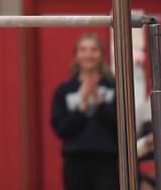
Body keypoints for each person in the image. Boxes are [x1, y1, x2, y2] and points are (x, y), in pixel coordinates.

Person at [50, 33, 118, 190]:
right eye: (83, 50)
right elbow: (61, 129)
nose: (89, 54)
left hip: (107, 160)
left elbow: (121, 126)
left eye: (94, 50)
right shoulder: (64, 90)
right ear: (76, 55)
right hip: (75, 161)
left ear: (101, 54)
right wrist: (82, 106)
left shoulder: (113, 87)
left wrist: (99, 102)